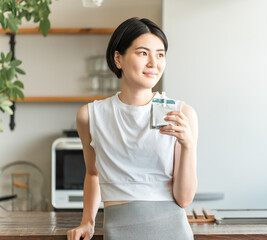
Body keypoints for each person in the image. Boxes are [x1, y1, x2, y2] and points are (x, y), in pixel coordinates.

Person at [67, 17, 198, 240]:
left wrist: (187, 146)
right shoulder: (91, 115)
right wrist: (87, 222)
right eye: (143, 53)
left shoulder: (182, 114)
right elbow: (92, 173)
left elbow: (184, 199)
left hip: (174, 231)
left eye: (160, 54)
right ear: (118, 58)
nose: (153, 63)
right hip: (118, 232)